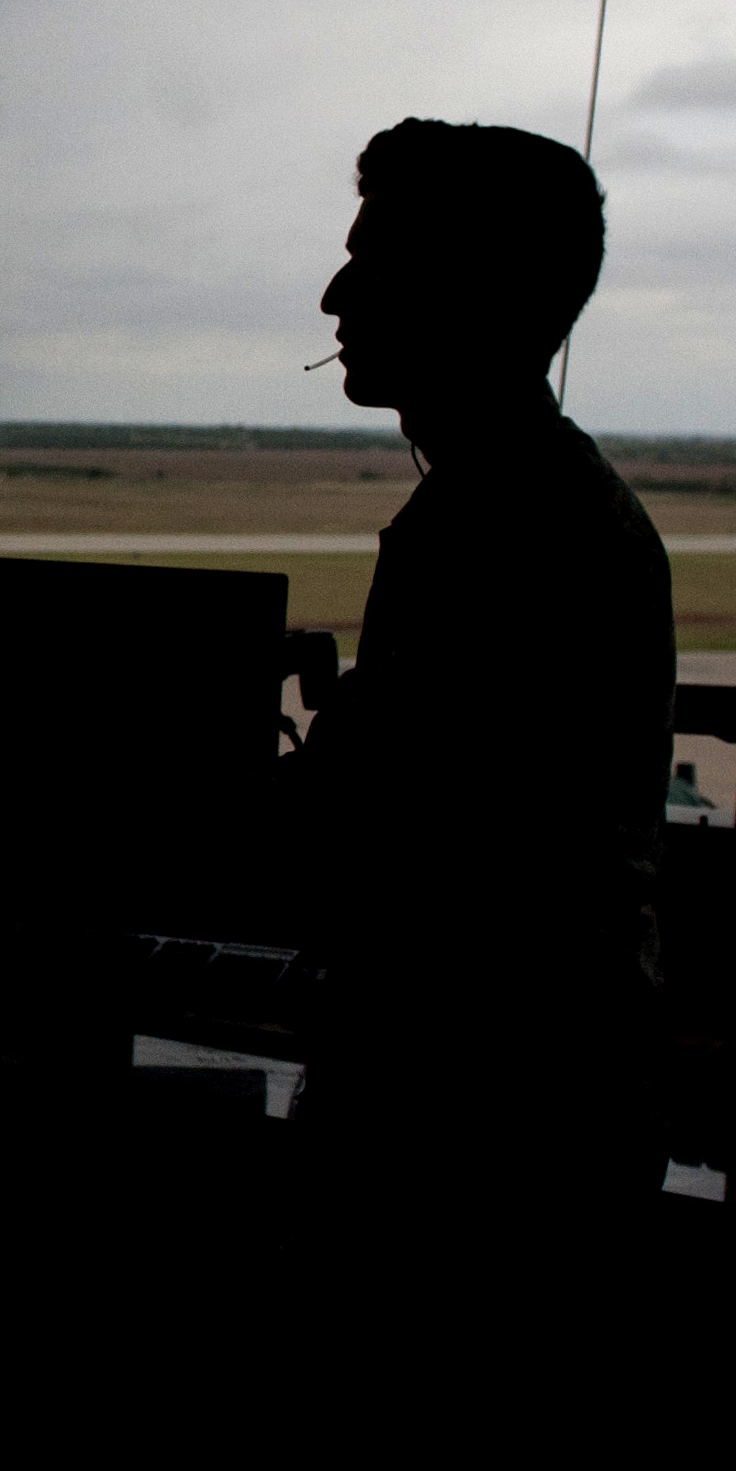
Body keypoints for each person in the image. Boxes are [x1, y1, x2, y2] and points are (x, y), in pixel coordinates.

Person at [287, 119, 673, 1215]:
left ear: (482, 291)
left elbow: (382, 828)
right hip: (520, 1107)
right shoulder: (509, 505)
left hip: (484, 1132)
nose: (334, 295)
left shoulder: (516, 531)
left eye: (375, 261)